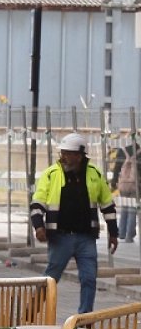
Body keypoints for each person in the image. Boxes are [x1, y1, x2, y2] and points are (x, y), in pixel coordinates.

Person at [31, 133, 119, 314]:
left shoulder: (94, 174)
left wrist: (113, 232)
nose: (64, 157)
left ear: (80, 155)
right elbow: (37, 203)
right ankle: (30, 312)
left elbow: (107, 205)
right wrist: (38, 226)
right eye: (62, 153)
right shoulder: (51, 174)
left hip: (86, 238)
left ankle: (83, 319)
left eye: (68, 153)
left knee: (89, 279)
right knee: (51, 278)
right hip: (61, 237)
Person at [110, 140, 138, 243]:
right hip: (136, 186)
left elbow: (116, 168)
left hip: (123, 185)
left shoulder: (122, 151)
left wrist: (113, 183)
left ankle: (121, 233)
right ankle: (129, 236)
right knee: (132, 210)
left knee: (125, 208)